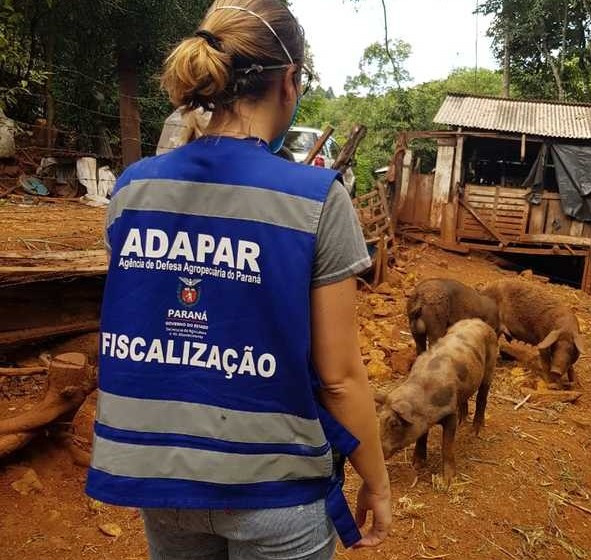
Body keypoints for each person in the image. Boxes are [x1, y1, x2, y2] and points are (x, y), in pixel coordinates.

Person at [85, 1, 392, 559]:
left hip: (165, 483)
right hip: (277, 493)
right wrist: (376, 478)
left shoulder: (132, 191)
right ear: (290, 82)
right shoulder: (316, 200)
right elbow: (341, 377)